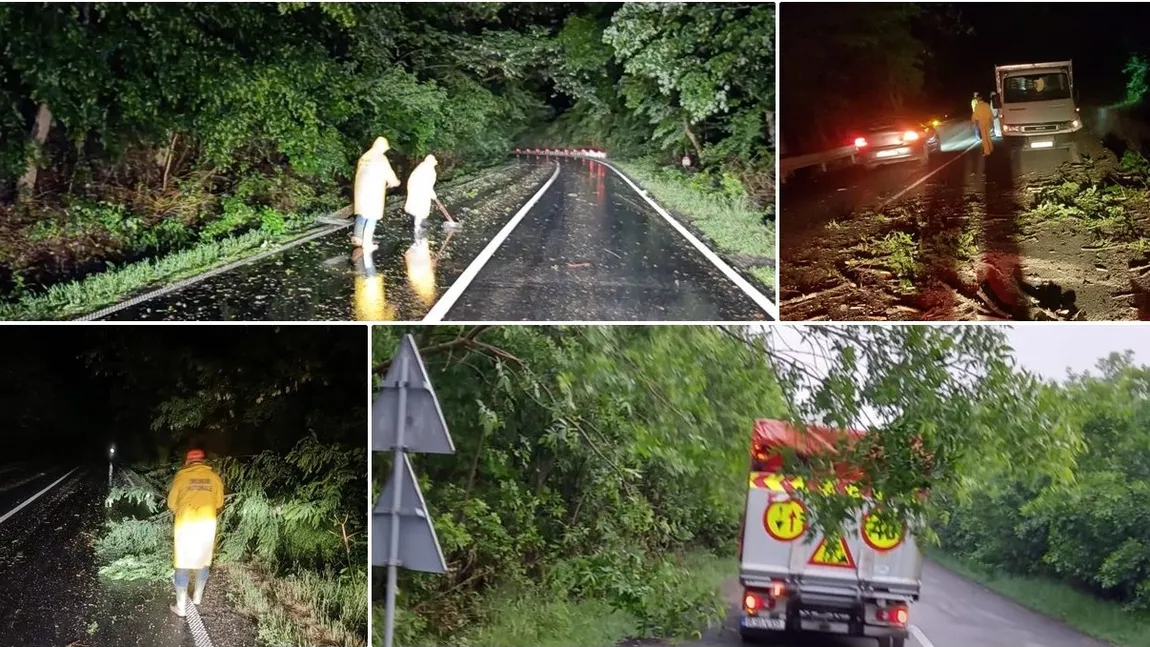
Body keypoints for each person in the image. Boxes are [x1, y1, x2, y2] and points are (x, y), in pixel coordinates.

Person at [168, 449, 225, 617]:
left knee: (183, 563)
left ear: (187, 461)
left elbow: (171, 503)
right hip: (207, 524)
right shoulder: (214, 477)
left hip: (186, 524)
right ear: (203, 462)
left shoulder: (181, 476)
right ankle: (198, 597)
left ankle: (181, 607)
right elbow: (219, 502)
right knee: (203, 560)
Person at [352, 137, 401, 251]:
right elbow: (388, 173)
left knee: (362, 214)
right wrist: (394, 181)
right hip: (373, 190)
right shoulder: (380, 158)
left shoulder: (365, 157)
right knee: (372, 216)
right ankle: (367, 243)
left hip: (361, 190)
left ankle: (358, 237)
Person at [404, 155, 454, 245]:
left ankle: (420, 227)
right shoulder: (428, 170)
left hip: (417, 192)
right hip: (420, 193)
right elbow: (426, 185)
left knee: (419, 211)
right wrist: (433, 195)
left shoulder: (423, 167)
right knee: (420, 211)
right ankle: (418, 237)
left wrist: (431, 194)